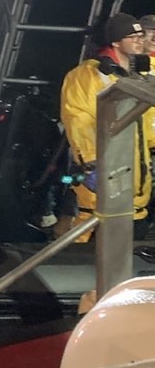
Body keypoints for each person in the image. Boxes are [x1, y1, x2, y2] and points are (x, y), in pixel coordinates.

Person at [58, 13, 154, 234]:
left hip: (137, 192)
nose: (141, 41)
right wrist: (91, 163)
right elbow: (78, 119)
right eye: (133, 37)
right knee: (90, 252)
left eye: (141, 36)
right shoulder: (87, 75)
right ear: (115, 42)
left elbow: (146, 122)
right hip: (101, 191)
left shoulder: (141, 75)